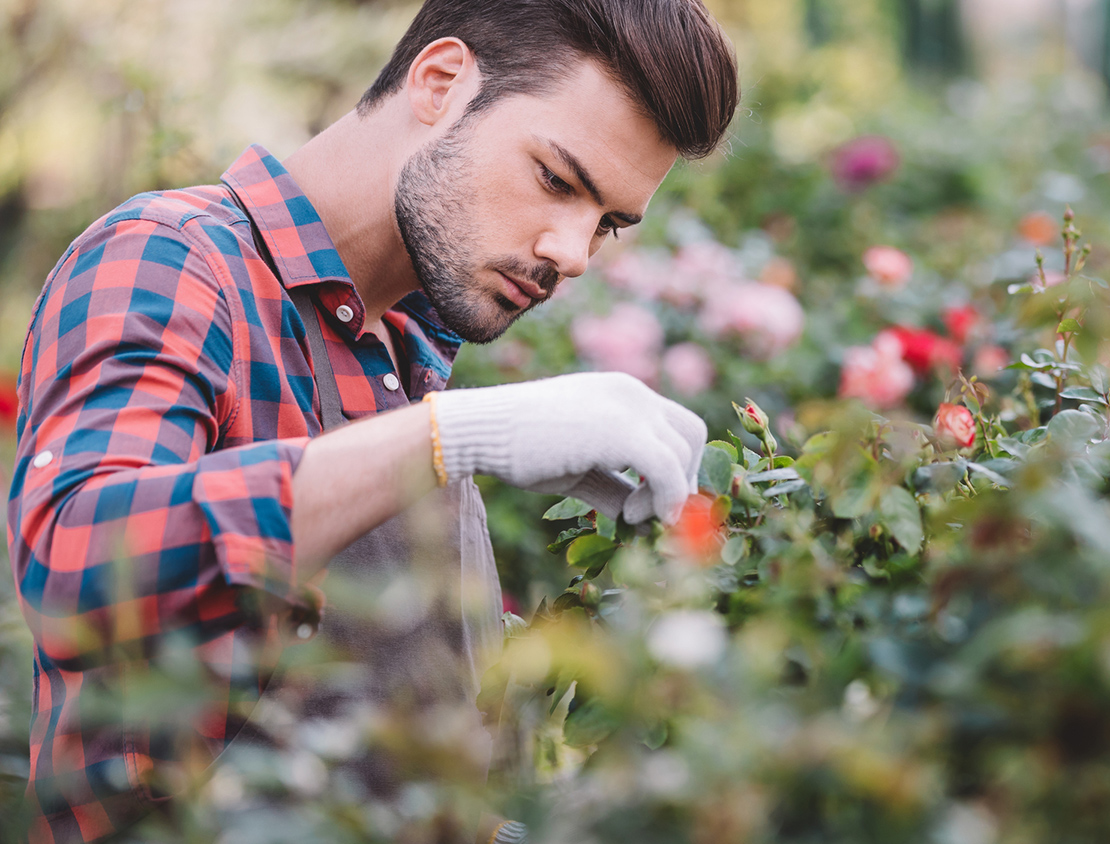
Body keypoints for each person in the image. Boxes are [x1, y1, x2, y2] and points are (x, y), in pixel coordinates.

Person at [5, 0, 739, 841]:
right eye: (556, 180)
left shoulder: (406, 353)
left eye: (606, 222)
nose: (573, 253)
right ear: (440, 81)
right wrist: (450, 437)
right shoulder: (171, 260)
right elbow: (74, 562)